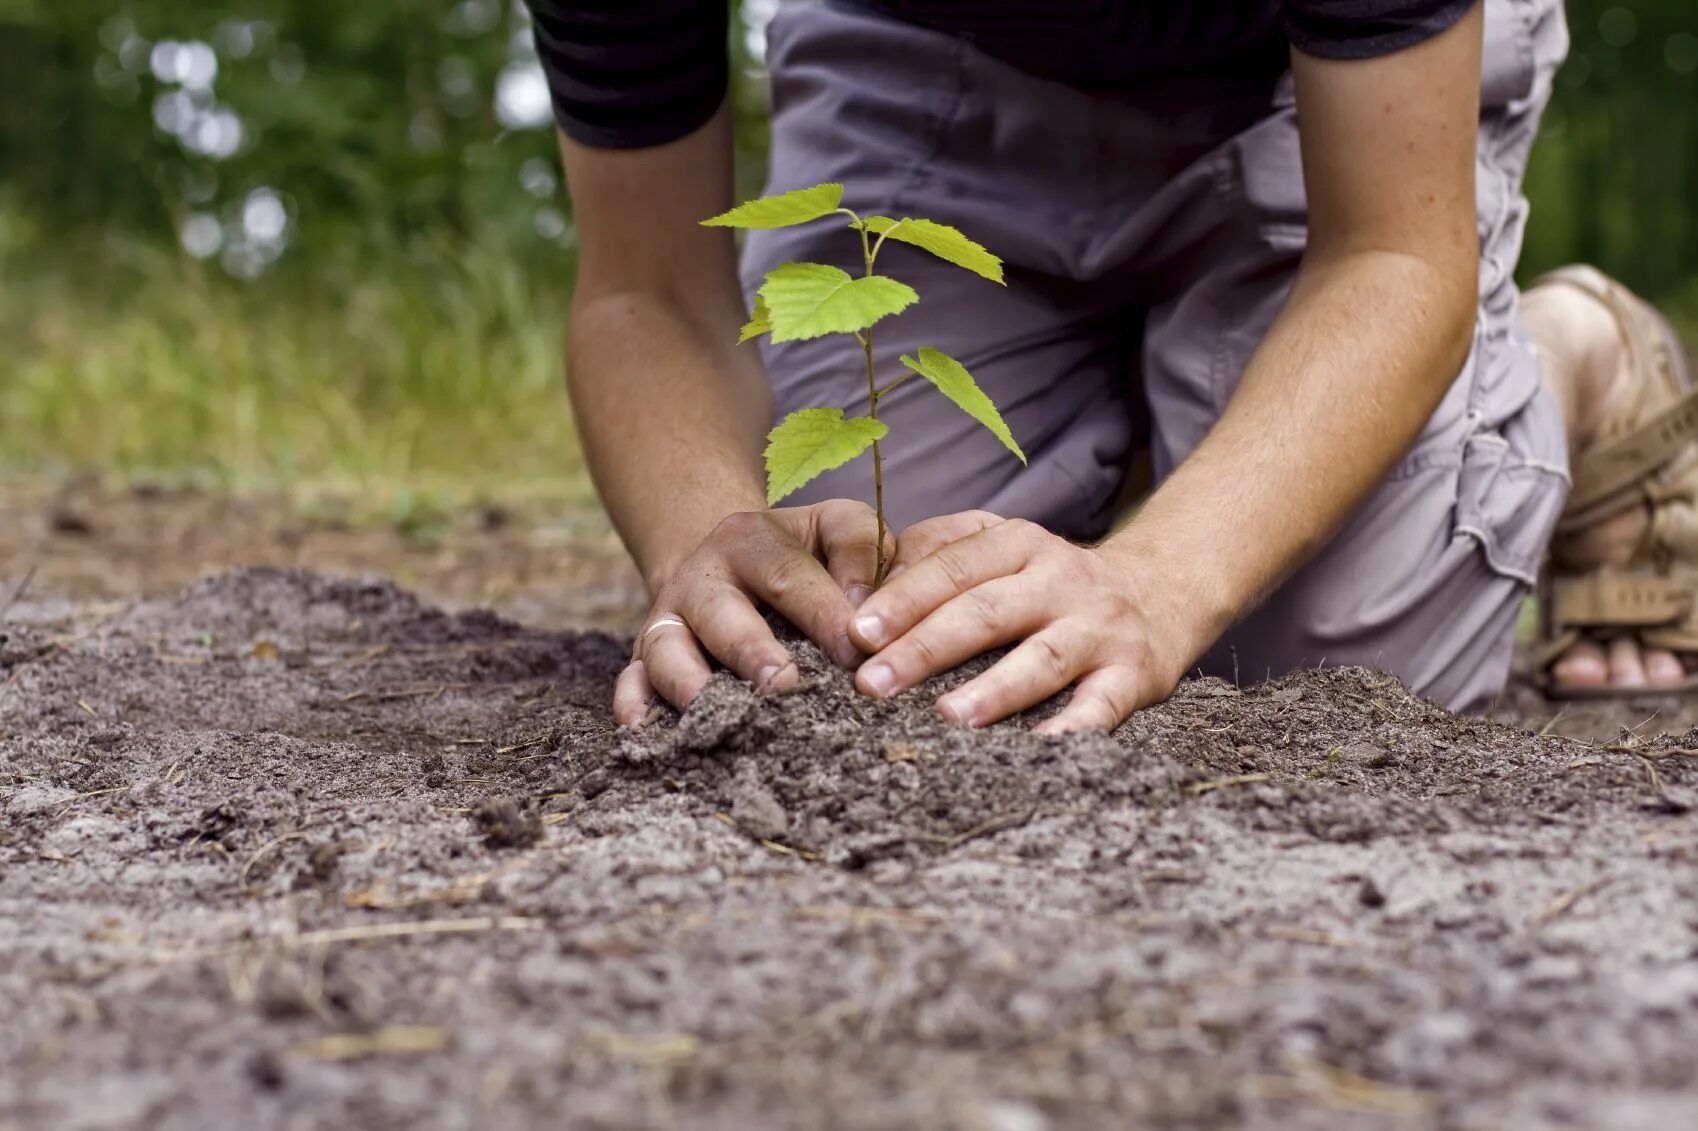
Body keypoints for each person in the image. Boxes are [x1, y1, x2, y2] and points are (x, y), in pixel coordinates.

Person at [526, 0, 1698, 732]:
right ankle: (1177, 403)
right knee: (864, 624)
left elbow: (1392, 249)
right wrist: (703, 537)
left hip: (1338, 91)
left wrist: (1162, 581)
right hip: (936, 51)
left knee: (1314, 673)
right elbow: (648, 287)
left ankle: (1568, 358)